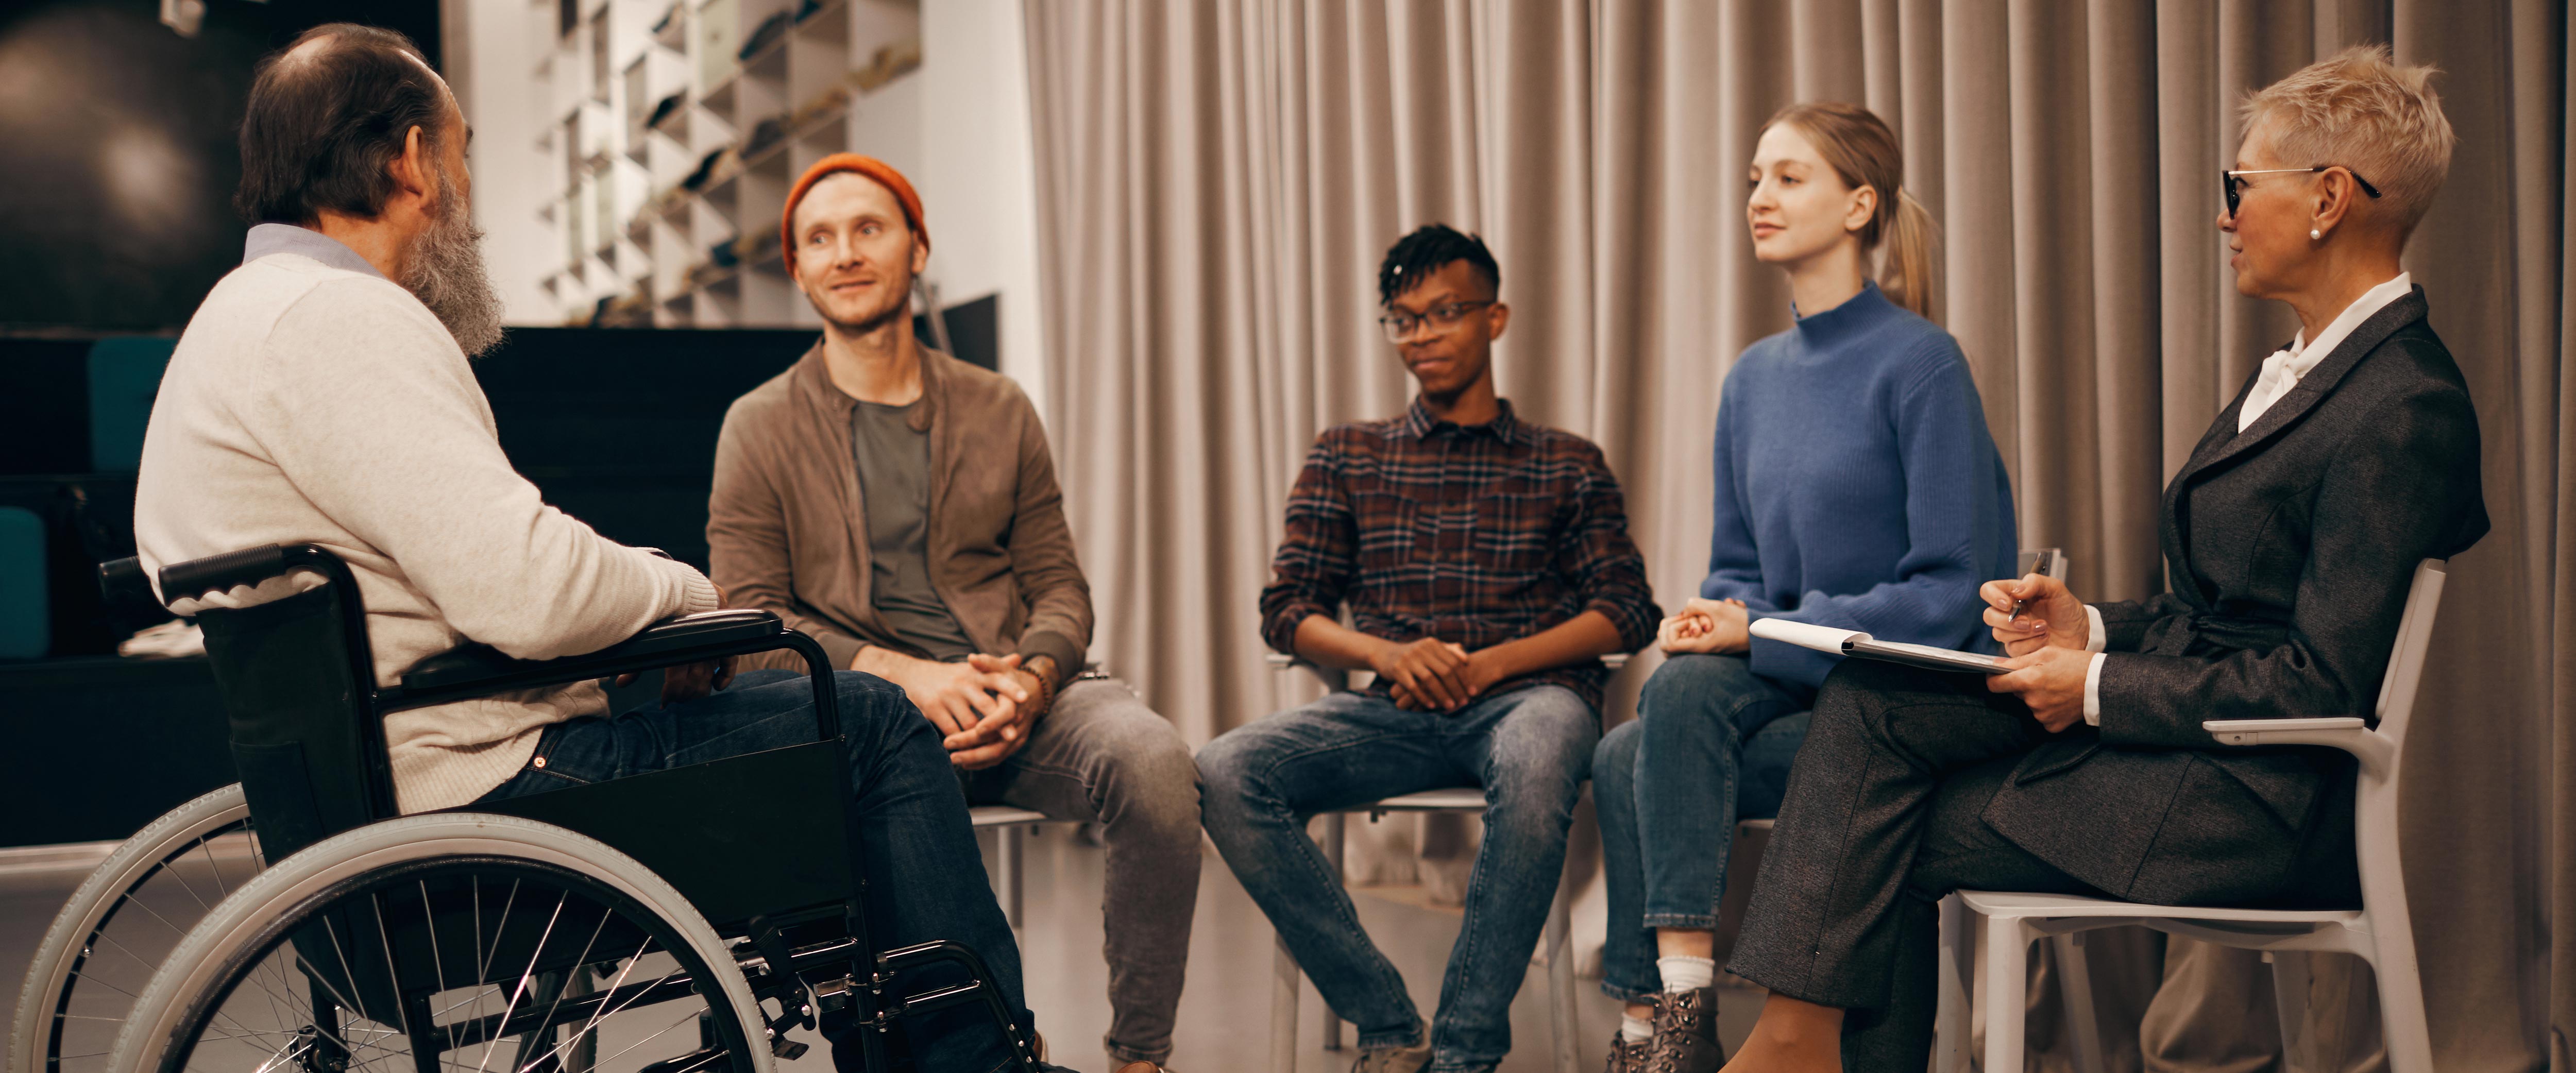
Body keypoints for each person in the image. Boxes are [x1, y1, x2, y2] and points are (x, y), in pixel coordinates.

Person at [131, 27, 1065, 1073]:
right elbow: (526, 590)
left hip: (360, 790)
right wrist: (679, 592)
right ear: (408, 162)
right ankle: (978, 1061)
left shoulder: (231, 322)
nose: (470, 194)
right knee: (869, 720)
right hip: (481, 798)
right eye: (463, 154)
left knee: (778, 717)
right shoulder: (344, 320)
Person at [1716, 45, 2487, 1073]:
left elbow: (2318, 681)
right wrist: (2092, 625)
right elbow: (2222, 616)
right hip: (2188, 749)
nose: (2222, 213)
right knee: (1871, 693)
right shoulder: (2314, 369)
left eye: (2237, 186)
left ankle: (1792, 1045)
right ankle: (1794, 1038)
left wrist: (2091, 684)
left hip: (2256, 803)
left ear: (2327, 199)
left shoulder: (2404, 407)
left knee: (1879, 828)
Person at [708, 153, 1200, 1073]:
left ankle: (1141, 1057)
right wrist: (903, 676)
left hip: (1015, 692)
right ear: (798, 271)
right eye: (819, 238)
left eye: (869, 229)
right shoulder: (758, 425)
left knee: (1159, 764)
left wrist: (1032, 674)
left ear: (917, 247)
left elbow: (1060, 583)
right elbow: (752, 626)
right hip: (867, 723)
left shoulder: (1000, 407)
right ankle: (980, 1048)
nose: (845, 253)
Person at [1589, 102, 2016, 1073]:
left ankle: (1665, 1028)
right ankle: (1669, 1026)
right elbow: (1739, 569)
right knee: (1635, 739)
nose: (1759, 199)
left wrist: (1762, 628)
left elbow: (1955, 590)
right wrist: (1714, 615)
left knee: (1651, 729)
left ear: (1861, 204)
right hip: (1789, 686)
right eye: (1753, 178)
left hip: (1897, 702)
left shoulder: (1921, 364)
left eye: (1788, 177)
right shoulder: (1751, 380)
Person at [1199, 225, 1663, 1073]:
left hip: (1528, 698)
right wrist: (1388, 652)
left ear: (1496, 318)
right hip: (1392, 708)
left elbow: (1627, 611)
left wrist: (1492, 664)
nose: (1423, 335)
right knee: (1225, 770)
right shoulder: (1348, 454)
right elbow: (1287, 608)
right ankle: (1387, 1021)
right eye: (1404, 319)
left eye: (1445, 312)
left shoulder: (1566, 464)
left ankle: (1462, 1053)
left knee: (1543, 751)